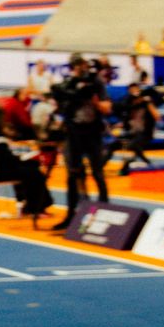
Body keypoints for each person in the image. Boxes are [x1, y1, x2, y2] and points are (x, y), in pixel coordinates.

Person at [50, 54, 112, 225]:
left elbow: (107, 108)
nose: (80, 69)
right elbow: (59, 105)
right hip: (73, 132)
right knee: (73, 175)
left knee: (98, 173)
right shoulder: (68, 85)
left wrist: (94, 101)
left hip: (92, 132)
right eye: (75, 66)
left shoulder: (95, 83)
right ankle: (73, 213)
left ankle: (104, 209)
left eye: (81, 65)